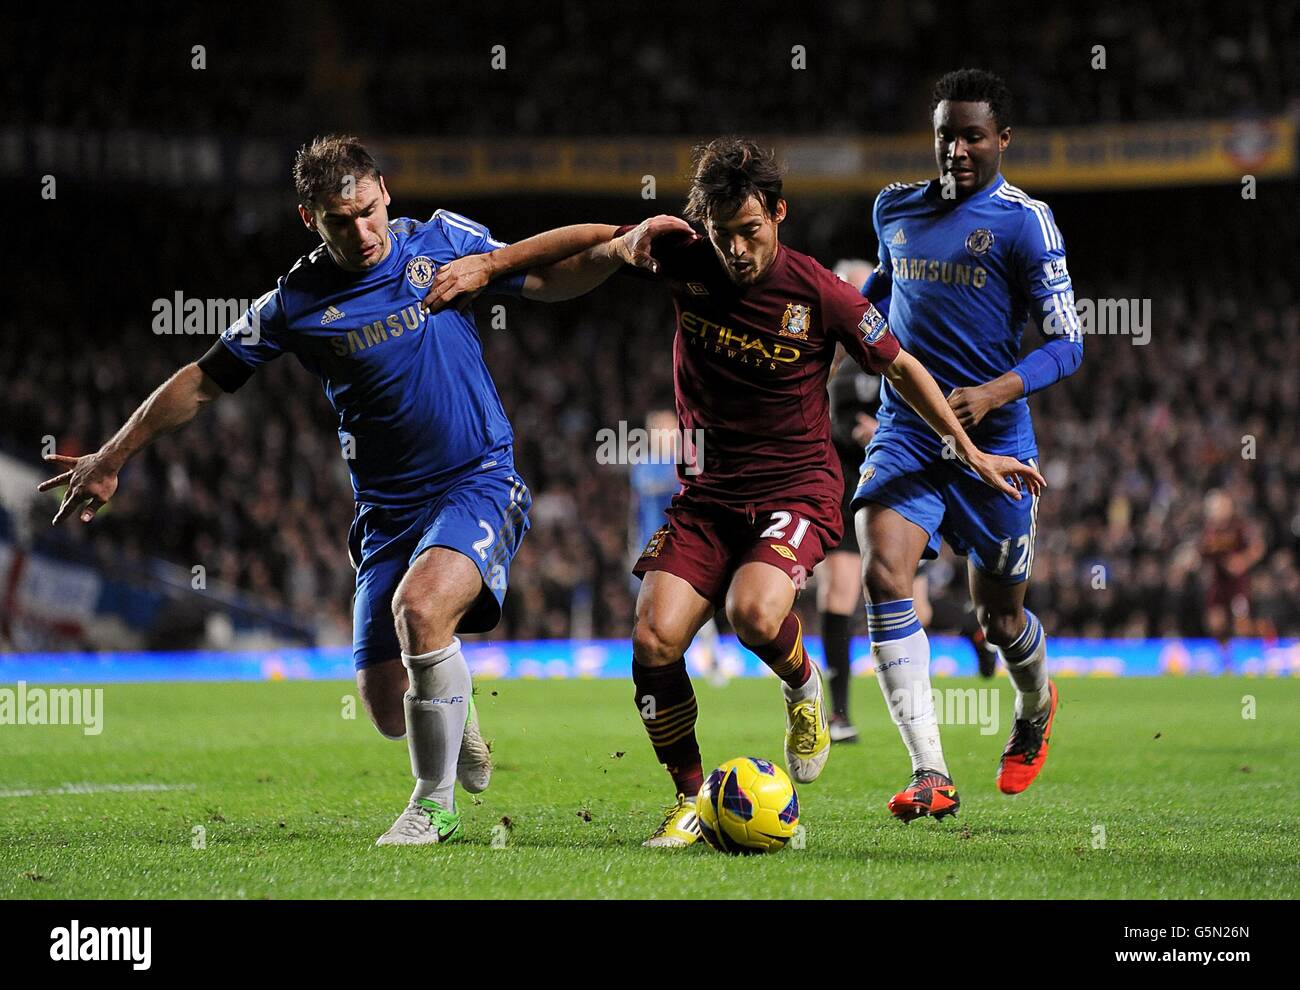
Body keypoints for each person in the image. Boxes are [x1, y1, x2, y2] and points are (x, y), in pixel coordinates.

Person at [39, 134, 687, 846]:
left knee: (420, 608)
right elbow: (201, 380)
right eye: (338, 221)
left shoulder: (440, 243)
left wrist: (620, 249)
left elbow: (546, 275)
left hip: (478, 480)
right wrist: (111, 453)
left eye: (370, 211)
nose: (362, 232)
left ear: (386, 193)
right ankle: (454, 703)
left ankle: (432, 805)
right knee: (387, 708)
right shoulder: (294, 302)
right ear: (307, 219)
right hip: (385, 514)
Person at [449, 137, 1043, 847]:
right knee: (652, 636)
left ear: (780, 214)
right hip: (706, 497)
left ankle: (802, 686)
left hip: (797, 487)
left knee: (753, 614)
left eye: (751, 232)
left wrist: (971, 449)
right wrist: (507, 261)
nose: (736, 249)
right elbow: (592, 238)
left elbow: (904, 368)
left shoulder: (819, 291)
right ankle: (690, 799)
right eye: (724, 234)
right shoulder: (684, 253)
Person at [854, 69, 1084, 822]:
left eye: (972, 135)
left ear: (1003, 140)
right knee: (884, 569)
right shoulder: (895, 206)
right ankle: (930, 771)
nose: (956, 148)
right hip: (908, 431)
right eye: (945, 133)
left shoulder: (1026, 222)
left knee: (999, 619)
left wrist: (994, 391)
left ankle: (1034, 707)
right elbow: (886, 295)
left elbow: (1067, 343)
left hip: (998, 444)